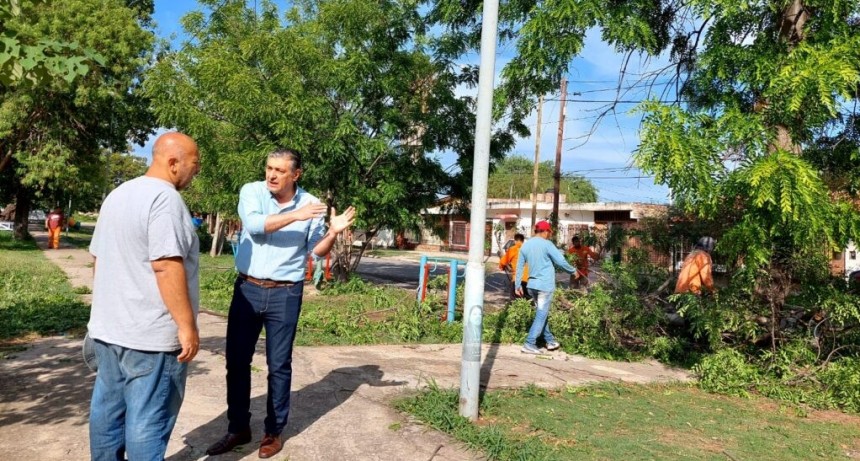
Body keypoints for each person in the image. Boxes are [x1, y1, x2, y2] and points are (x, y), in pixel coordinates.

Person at [207, 148, 356, 459]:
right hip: (247, 289)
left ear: (296, 174)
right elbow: (255, 225)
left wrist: (333, 231)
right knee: (236, 361)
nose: (271, 175)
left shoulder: (312, 203)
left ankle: (273, 432)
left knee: (279, 366)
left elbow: (317, 251)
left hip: (285, 293)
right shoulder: (252, 191)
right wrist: (295, 215)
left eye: (279, 170)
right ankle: (238, 428)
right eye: (269, 168)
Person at [87, 132, 201, 460]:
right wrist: (186, 325)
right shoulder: (165, 200)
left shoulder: (119, 194)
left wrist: (105, 310)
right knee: (148, 420)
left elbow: (98, 258)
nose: (196, 171)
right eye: (194, 164)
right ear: (173, 162)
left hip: (109, 331)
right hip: (150, 338)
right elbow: (166, 265)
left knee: (107, 412)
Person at [515, 221, 576, 354]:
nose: (549, 235)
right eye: (549, 232)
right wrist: (573, 271)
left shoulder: (525, 246)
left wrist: (517, 285)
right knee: (541, 314)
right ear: (545, 231)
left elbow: (519, 266)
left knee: (541, 314)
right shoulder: (547, 244)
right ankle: (529, 343)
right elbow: (560, 261)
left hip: (531, 286)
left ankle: (550, 340)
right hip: (544, 286)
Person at [498, 233, 531, 301]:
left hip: (517, 279)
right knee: (529, 301)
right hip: (529, 280)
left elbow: (503, 262)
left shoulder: (513, 249)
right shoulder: (529, 250)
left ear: (515, 241)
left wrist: (501, 267)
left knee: (515, 301)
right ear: (523, 241)